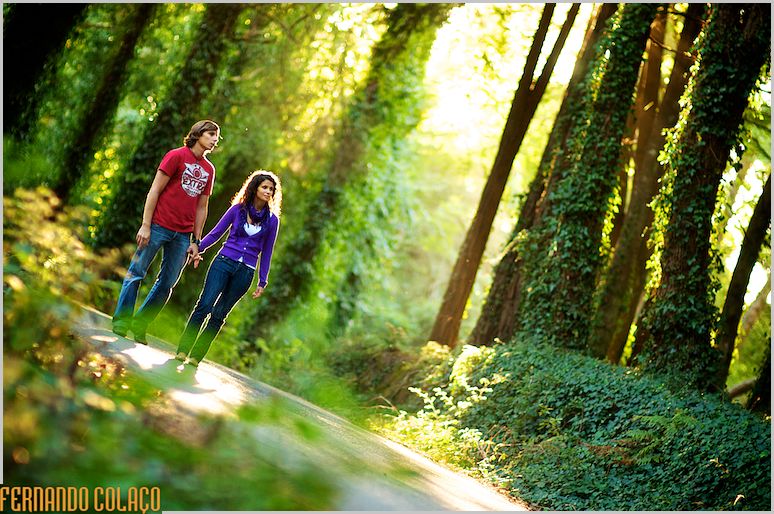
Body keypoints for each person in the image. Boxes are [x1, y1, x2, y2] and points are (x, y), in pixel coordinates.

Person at [112, 120, 221, 343]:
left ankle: (140, 323)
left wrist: (197, 241)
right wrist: (146, 224)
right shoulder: (176, 156)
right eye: (211, 134)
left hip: (183, 236)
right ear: (198, 134)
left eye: (217, 136)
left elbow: (202, 207)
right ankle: (122, 320)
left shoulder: (209, 170)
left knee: (167, 283)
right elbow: (155, 189)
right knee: (136, 272)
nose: (214, 139)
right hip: (158, 226)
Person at [175, 170, 282, 367]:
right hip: (223, 262)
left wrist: (262, 280)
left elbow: (267, 251)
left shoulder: (273, 221)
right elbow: (216, 233)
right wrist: (198, 247)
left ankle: (196, 357)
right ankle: (183, 349)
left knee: (219, 315)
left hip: (246, 271)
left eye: (271, 189)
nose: (268, 191)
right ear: (255, 188)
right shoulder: (237, 210)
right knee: (205, 305)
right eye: (265, 187)